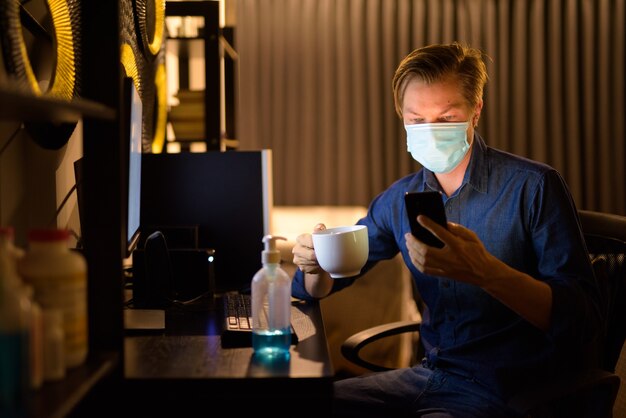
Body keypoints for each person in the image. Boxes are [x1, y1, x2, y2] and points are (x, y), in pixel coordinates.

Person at [290, 42, 603, 417]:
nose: (430, 132)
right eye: (417, 120)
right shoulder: (399, 199)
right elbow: (322, 284)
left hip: (510, 388)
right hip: (428, 377)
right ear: (401, 117)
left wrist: (486, 272)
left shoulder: (532, 187)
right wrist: (315, 266)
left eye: (445, 118)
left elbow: (582, 320)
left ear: (476, 112)